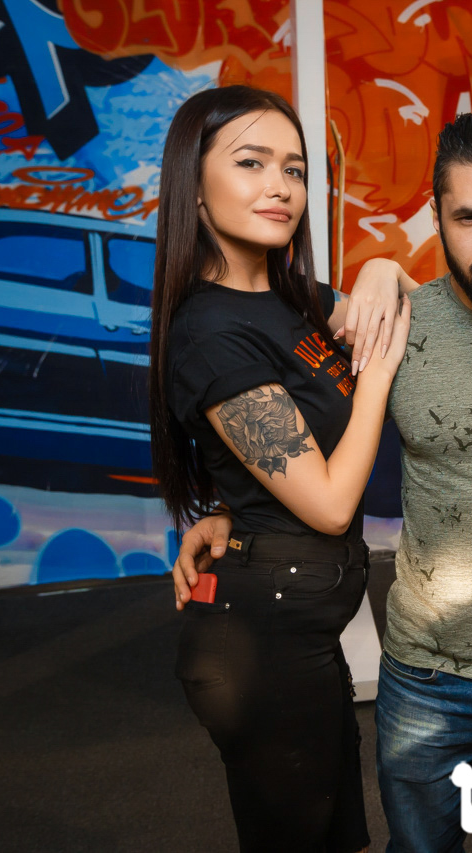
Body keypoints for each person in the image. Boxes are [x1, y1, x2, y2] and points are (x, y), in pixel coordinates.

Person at [174, 109, 472, 852]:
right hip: (427, 678)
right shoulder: (386, 326)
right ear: (437, 216)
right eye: (469, 217)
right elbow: (301, 447)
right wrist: (239, 509)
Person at [150, 85, 415, 852]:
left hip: (304, 633)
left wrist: (382, 266)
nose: (280, 187)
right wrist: (375, 378)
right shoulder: (211, 331)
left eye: (294, 169)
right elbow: (330, 503)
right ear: (194, 185)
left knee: (341, 837)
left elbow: (404, 303)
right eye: (251, 162)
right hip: (257, 644)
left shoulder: (292, 298)